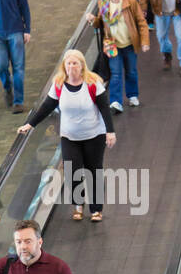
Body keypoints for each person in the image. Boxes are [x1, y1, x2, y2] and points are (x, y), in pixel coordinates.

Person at [18, 49, 116, 217]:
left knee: (94, 171)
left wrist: (110, 132)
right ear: (64, 66)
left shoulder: (92, 83)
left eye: (75, 63)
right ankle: (78, 204)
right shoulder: (59, 84)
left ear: (82, 65)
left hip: (94, 135)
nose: (71, 67)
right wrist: (30, 124)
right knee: (72, 171)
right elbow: (47, 106)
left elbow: (104, 108)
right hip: (70, 137)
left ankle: (96, 209)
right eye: (68, 63)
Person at [85, 0, 149, 110]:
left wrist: (145, 41)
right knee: (116, 73)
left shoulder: (130, 2)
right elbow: (100, 23)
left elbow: (141, 22)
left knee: (131, 71)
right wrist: (92, 20)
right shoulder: (103, 4)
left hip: (129, 43)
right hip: (112, 45)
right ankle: (116, 101)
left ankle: (132, 95)